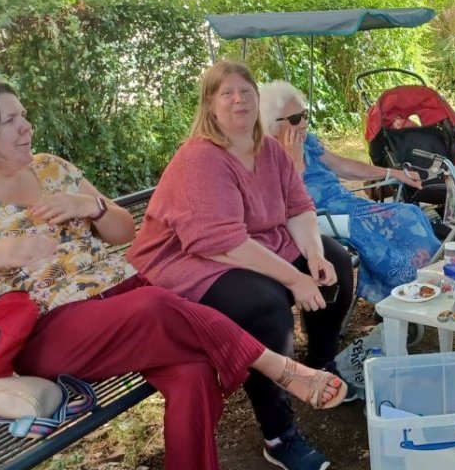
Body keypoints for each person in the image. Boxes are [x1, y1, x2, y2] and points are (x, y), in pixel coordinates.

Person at [0, 78, 345, 470]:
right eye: (11, 120)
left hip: (126, 297)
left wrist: (92, 206)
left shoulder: (50, 167)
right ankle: (282, 369)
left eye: (23, 115)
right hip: (51, 328)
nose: (27, 127)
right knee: (159, 302)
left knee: (194, 373)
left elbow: (124, 230)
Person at [126, 62, 353, 470]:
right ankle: (279, 435)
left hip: (253, 245)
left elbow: (299, 207)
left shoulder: (268, 149)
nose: (238, 99)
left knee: (336, 262)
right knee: (263, 306)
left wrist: (314, 257)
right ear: (210, 106)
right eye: (226, 93)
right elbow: (219, 243)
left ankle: (320, 366)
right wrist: (294, 278)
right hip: (191, 260)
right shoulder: (201, 158)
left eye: (246, 91)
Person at [258, 80, 441, 303]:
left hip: (346, 205)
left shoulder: (308, 143)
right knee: (378, 233)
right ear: (273, 124)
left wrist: (393, 173)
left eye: (305, 114)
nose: (304, 122)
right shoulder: (267, 155)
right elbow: (286, 204)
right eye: (296, 118)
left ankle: (429, 281)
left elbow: (344, 166)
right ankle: (397, 295)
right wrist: (294, 160)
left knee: (411, 214)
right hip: (321, 217)